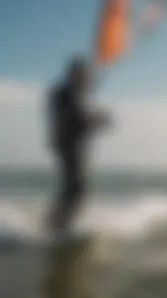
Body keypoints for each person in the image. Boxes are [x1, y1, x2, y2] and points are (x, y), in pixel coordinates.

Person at [46, 56, 110, 235]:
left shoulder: (74, 93)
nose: (85, 79)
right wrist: (96, 120)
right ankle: (55, 226)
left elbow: (81, 117)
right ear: (73, 74)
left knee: (76, 189)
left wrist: (97, 120)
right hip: (67, 146)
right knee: (77, 188)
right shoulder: (62, 93)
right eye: (82, 75)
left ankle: (58, 225)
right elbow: (73, 118)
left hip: (75, 146)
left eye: (86, 76)